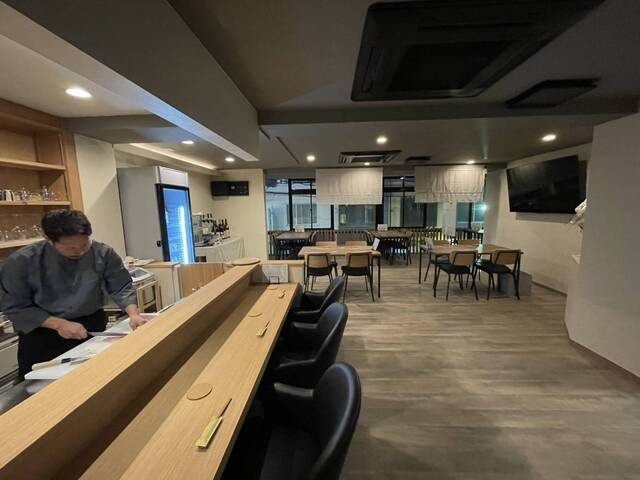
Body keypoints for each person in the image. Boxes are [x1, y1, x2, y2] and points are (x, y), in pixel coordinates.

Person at [0, 210, 148, 379]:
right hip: (42, 333)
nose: (80, 251)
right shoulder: (22, 262)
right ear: (49, 240)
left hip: (90, 326)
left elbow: (120, 286)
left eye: (84, 244)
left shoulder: (102, 253)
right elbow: (15, 307)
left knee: (95, 378)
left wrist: (133, 314)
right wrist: (58, 324)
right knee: (46, 386)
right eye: (70, 248)